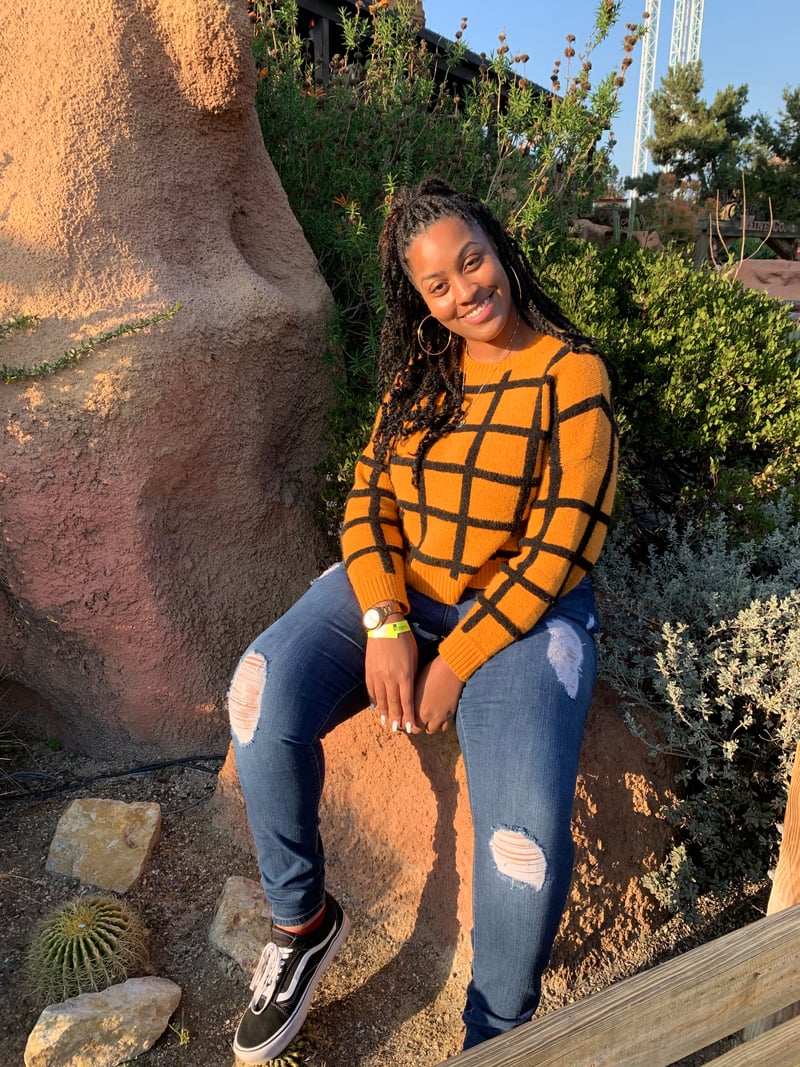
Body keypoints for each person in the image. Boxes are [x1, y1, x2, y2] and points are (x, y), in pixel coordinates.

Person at [227, 177, 618, 1063]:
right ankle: (303, 922)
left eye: (472, 261)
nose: (465, 291)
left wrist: (457, 658)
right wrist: (388, 621)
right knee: (257, 695)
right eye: (438, 284)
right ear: (421, 299)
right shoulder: (421, 371)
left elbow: (566, 546)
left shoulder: (571, 373)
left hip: (525, 616)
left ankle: (498, 1036)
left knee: (520, 846)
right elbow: (367, 506)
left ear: (498, 246)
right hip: (405, 592)